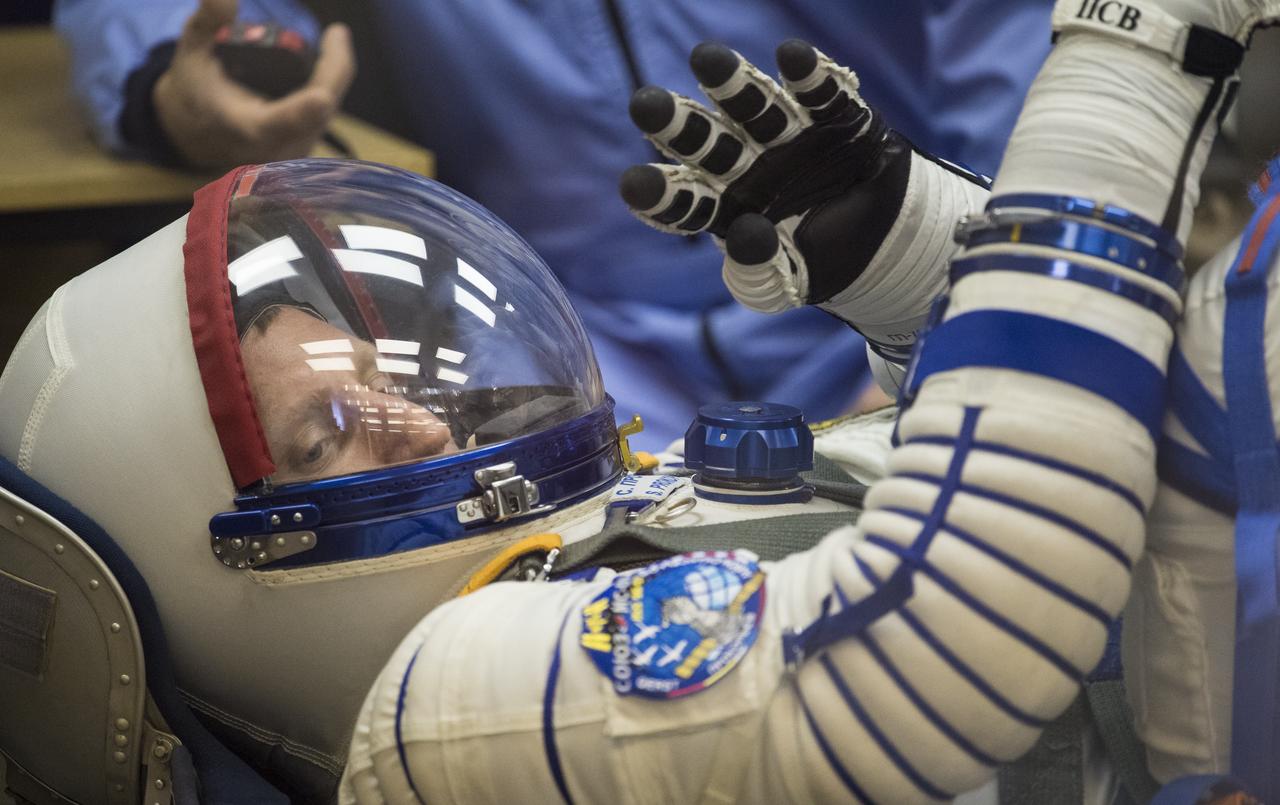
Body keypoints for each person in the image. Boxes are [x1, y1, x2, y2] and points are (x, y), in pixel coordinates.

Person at [2, 2, 1276, 803]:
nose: (420, 419)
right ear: (226, 559)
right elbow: (952, 629)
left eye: (387, 375)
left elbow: (996, 462)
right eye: (323, 433)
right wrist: (1127, 68)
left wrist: (902, 261)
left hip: (797, 361)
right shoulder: (436, 703)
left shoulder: (533, 570)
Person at [51, 0, 1056, 448]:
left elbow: (1036, 82)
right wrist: (167, 80)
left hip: (908, 280)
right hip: (551, 336)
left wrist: (954, 307)